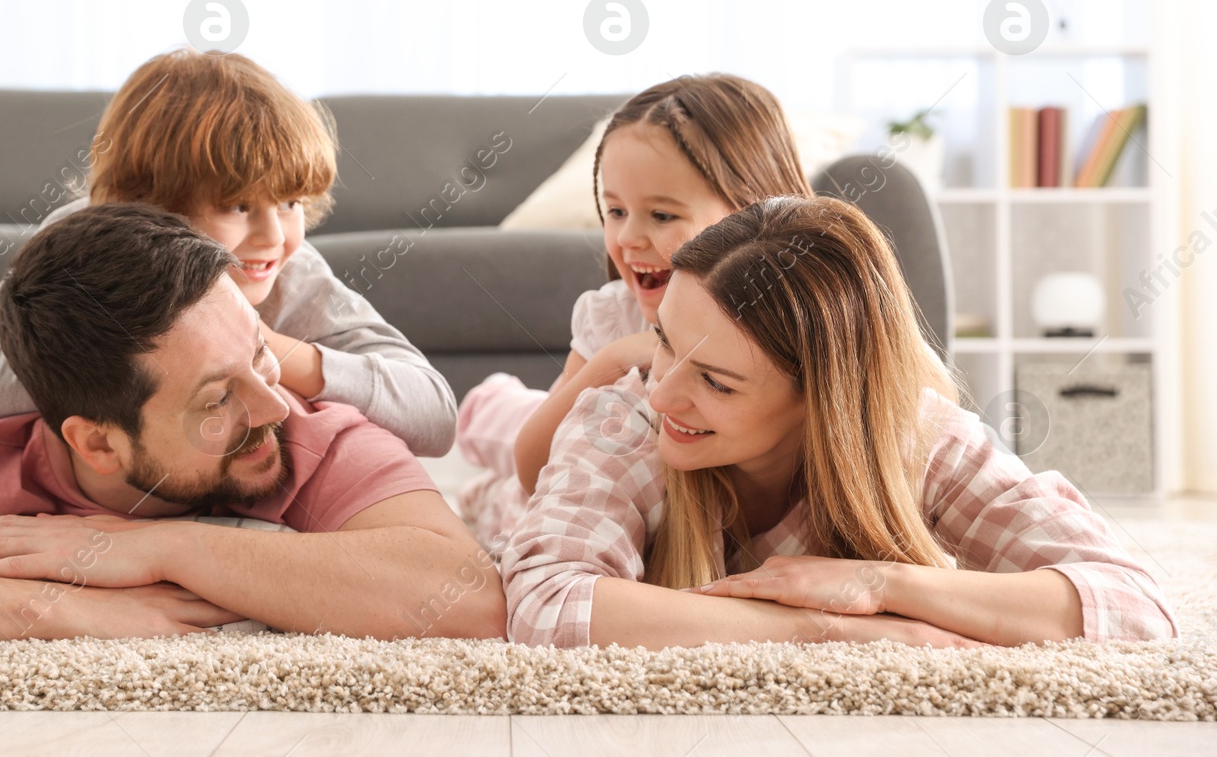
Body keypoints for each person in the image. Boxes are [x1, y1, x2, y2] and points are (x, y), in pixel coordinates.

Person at [0, 204, 503, 647]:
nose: (270, 404)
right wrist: (52, 609)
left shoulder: (296, 421)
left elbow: (467, 598)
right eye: (215, 399)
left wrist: (160, 548)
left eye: (260, 354)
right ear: (95, 441)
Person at [503, 196, 1178, 648]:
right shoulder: (622, 414)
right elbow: (546, 603)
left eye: (716, 381)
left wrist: (884, 586)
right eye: (664, 339)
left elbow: (1134, 605)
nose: (662, 393)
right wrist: (827, 629)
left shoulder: (920, 436)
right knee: (498, 449)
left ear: (824, 400)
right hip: (515, 495)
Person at [0, 46, 456, 457]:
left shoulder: (291, 273)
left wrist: (258, 345)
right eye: (237, 206)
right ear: (146, 206)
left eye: (289, 202)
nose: (274, 236)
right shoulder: (79, 241)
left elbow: (434, 416)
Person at [455, 75, 814, 552]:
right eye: (616, 211)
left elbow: (919, 397)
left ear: (753, 213)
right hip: (569, 483)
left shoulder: (812, 315)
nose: (626, 238)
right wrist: (614, 360)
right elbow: (532, 466)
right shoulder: (614, 318)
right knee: (502, 444)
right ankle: (486, 406)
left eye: (662, 216)